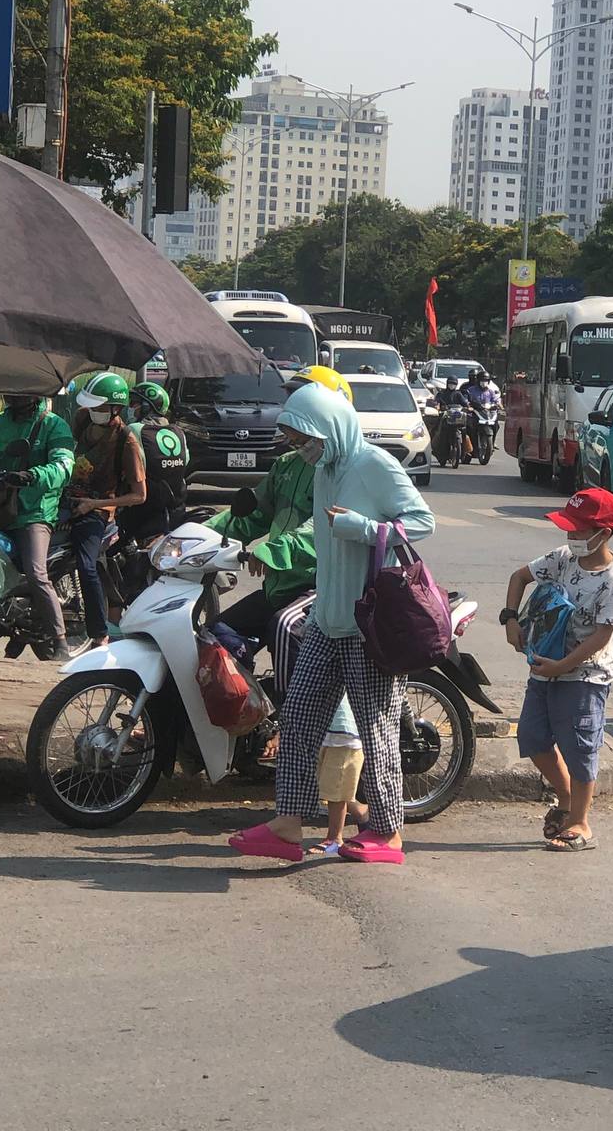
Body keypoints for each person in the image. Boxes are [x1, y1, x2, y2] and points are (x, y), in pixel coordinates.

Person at [228, 381, 435, 866]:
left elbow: (422, 522)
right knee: (299, 719)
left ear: (332, 428)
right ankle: (287, 824)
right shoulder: (323, 469)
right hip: (326, 617)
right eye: (297, 439)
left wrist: (365, 529)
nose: (303, 448)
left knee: (376, 727)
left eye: (308, 438)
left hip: (365, 624)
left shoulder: (374, 465)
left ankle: (387, 832)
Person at [502, 487, 613, 853]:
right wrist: (511, 619)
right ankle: (565, 799)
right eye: (569, 528)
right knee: (532, 738)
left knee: (580, 749)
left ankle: (580, 822)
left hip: (584, 677)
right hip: (543, 667)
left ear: (602, 534)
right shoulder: (562, 558)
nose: (570, 536)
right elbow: (519, 577)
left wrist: (563, 666)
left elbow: (603, 637)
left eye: (577, 530)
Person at [208, 366, 352, 649]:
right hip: (279, 587)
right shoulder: (286, 464)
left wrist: (275, 550)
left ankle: (294, 695)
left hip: (318, 590)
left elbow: (322, 528)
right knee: (217, 636)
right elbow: (254, 514)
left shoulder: (343, 469)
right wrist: (196, 535)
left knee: (282, 630)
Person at [0, 394, 75, 659]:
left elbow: (63, 467)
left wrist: (33, 475)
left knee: (37, 573)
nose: (11, 395)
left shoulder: (55, 425)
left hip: (35, 512)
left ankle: (60, 641)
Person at [68, 372, 146, 650]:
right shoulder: (81, 420)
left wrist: (95, 504)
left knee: (86, 564)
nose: (94, 411)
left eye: (100, 407)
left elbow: (139, 495)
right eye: (92, 406)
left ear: (116, 408)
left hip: (98, 509)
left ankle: (99, 633)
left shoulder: (127, 440)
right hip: (67, 497)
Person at [120, 381, 190, 544]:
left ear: (146, 406)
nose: (130, 407)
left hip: (142, 509)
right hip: (176, 507)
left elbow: (130, 466)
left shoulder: (135, 429)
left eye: (134, 403)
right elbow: (185, 461)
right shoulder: (178, 432)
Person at [309, 698, 369, 856]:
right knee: (331, 787)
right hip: (328, 730)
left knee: (336, 792)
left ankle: (335, 838)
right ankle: (362, 813)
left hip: (344, 734)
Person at [432, 375, 469, 464]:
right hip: (445, 418)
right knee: (439, 430)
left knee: (466, 431)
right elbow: (436, 402)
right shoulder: (442, 393)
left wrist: (468, 407)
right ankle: (438, 449)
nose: (452, 385)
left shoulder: (458, 394)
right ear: (447, 384)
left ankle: (466, 451)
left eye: (454, 384)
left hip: (457, 418)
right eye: (450, 383)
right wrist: (437, 406)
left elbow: (465, 403)